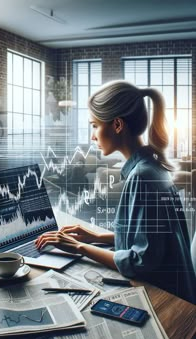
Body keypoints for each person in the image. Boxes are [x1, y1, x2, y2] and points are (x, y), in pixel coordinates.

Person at [35, 80, 196, 304]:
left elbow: (140, 261)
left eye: (94, 125)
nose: (92, 136)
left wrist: (80, 247)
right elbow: (151, 239)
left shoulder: (143, 177)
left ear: (117, 125)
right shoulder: (150, 167)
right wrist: (96, 237)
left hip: (169, 300)